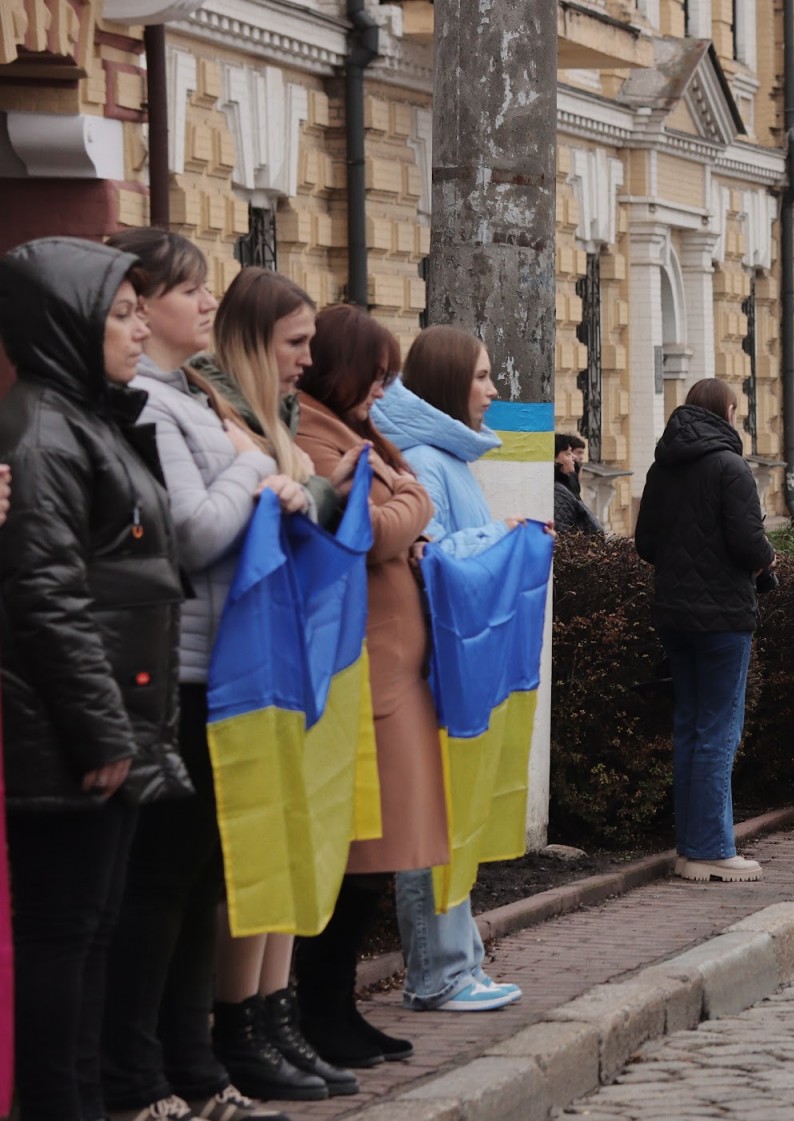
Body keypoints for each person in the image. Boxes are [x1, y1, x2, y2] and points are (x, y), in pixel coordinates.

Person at [101, 230, 304, 1121]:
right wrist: (263, 471)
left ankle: (194, 1063)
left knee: (206, 880)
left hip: (229, 669)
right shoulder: (151, 404)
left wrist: (284, 489)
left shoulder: (193, 395)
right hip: (180, 671)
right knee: (166, 884)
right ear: (141, 303)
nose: (206, 303)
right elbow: (191, 531)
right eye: (190, 290)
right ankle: (141, 1071)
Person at [0, 237, 196, 1121]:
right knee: (63, 942)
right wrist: (104, 732)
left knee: (92, 935)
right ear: (67, 323)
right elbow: (48, 597)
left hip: (114, 723)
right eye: (118, 313)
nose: (135, 327)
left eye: (135, 310)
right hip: (69, 739)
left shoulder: (89, 417)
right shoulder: (42, 430)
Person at [191, 269, 362, 1100]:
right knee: (245, 854)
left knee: (291, 839)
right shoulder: (211, 405)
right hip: (235, 659)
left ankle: (273, 1015)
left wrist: (314, 488)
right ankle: (242, 1024)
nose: (307, 360)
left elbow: (322, 490)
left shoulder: (275, 413)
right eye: (296, 344)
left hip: (285, 656)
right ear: (256, 339)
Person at [290, 306, 457, 1068]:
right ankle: (319, 1011)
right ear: (339, 366)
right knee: (356, 853)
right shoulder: (313, 432)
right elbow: (375, 528)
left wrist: (404, 505)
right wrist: (407, 511)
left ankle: (335, 1010)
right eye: (377, 371)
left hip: (391, 668)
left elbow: (405, 501)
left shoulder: (356, 431)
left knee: (377, 853)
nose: (385, 387)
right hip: (363, 669)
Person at [370, 325, 537, 1013]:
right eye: (481, 376)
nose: (494, 389)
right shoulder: (426, 461)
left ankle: (458, 961)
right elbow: (431, 561)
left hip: (453, 668)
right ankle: (437, 970)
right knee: (430, 824)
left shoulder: (445, 459)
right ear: (446, 383)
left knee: (451, 814)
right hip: (434, 670)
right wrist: (502, 538)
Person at [625, 376, 775, 879]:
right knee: (718, 731)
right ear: (728, 411)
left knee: (690, 728)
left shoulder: (661, 467)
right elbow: (751, 544)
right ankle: (711, 847)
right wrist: (769, 559)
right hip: (724, 618)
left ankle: (692, 849)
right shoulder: (731, 468)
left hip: (673, 614)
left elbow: (645, 542)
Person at [553, 434, 602, 534]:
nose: (574, 457)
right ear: (554, 459)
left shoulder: (567, 481)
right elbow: (563, 531)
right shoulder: (557, 491)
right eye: (568, 454)